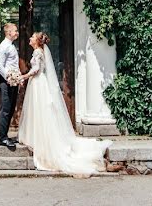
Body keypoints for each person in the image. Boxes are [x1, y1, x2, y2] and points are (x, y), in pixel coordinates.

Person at [18, 32, 112, 175]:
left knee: (40, 111)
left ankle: (42, 141)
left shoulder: (37, 52)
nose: (29, 38)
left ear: (37, 41)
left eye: (32, 37)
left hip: (38, 84)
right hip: (37, 83)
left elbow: (36, 70)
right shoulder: (38, 51)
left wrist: (23, 76)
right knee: (37, 111)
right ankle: (36, 138)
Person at [0, 22, 20, 149]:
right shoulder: (4, 46)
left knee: (10, 109)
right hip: (6, 82)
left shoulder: (10, 45)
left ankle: (4, 135)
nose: (17, 32)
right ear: (9, 32)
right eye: (15, 30)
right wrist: (9, 78)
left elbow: (12, 64)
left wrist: (16, 78)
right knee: (5, 109)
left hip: (13, 81)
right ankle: (2, 138)